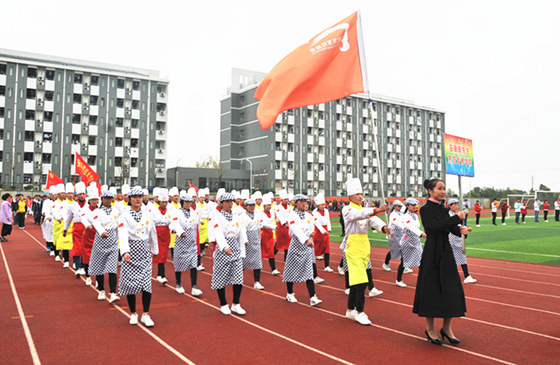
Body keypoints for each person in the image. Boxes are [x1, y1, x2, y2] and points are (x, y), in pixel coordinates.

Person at [413, 178, 471, 345]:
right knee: (431, 290)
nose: (443, 191)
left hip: (446, 252)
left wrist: (461, 229)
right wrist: (455, 219)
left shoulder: (444, 209)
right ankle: (430, 329)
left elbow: (450, 229)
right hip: (432, 253)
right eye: (439, 188)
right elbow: (433, 228)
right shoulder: (425, 210)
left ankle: (447, 328)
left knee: (452, 290)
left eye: (444, 188)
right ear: (430, 191)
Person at [342, 179, 388, 325]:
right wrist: (377, 209)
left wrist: (383, 227)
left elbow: (373, 220)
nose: (360, 196)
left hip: (364, 245)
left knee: (357, 281)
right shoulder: (347, 209)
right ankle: (360, 311)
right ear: (350, 197)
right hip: (353, 246)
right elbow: (360, 214)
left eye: (361, 194)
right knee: (361, 281)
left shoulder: (364, 209)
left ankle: (350, 310)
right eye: (357, 194)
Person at [118, 186, 158, 327]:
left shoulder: (148, 214)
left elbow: (152, 233)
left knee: (146, 284)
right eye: (135, 197)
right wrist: (125, 252)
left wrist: (155, 249)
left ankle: (146, 314)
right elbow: (122, 234)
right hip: (131, 251)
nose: (137, 200)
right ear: (130, 199)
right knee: (130, 284)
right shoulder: (124, 215)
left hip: (145, 252)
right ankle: (133, 313)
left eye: (140, 197)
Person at [211, 192, 248, 316]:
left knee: (238, 278)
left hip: (236, 250)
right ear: (221, 204)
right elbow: (218, 233)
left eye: (231, 202)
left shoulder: (237, 217)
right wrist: (224, 246)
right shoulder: (217, 217)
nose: (229, 204)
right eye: (226, 202)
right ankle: (223, 303)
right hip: (223, 251)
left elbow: (241, 232)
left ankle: (236, 304)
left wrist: (243, 248)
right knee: (221, 278)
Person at [283, 194, 323, 307]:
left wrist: (311, 233)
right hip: (296, 245)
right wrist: (306, 239)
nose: (304, 203)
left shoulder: (308, 216)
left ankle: (313, 296)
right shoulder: (291, 215)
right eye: (301, 201)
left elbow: (311, 227)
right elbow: (294, 229)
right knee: (291, 270)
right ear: (295, 203)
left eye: (305, 201)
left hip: (307, 247)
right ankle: (290, 293)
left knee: (309, 271)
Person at [89, 190, 121, 303]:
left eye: (110, 198)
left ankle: (113, 293)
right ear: (102, 199)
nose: (108, 200)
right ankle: (101, 290)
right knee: (99, 267)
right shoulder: (96, 212)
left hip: (112, 240)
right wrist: (102, 231)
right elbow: (96, 223)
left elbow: (118, 226)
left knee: (113, 268)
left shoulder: (117, 211)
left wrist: (120, 238)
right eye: (105, 198)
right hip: (100, 240)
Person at [240, 198, 276, 290]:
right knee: (243, 261)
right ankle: (238, 279)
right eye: (250, 205)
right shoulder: (242, 216)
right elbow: (242, 229)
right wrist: (244, 240)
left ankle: (257, 281)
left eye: (253, 205)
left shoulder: (257, 215)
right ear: (246, 207)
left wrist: (273, 227)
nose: (252, 207)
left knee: (257, 262)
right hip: (247, 241)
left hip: (256, 240)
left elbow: (262, 223)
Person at [172, 191, 203, 296]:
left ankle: (194, 287)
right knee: (179, 264)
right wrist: (181, 232)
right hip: (181, 242)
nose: (189, 204)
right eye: (187, 202)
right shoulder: (177, 212)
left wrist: (200, 222)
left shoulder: (193, 212)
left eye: (191, 202)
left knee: (194, 264)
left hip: (192, 243)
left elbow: (196, 220)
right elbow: (175, 223)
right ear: (183, 202)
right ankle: (178, 284)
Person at [395, 198, 426, 287]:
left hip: (416, 241)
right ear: (407, 206)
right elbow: (410, 226)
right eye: (412, 205)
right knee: (405, 262)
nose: (414, 207)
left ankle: (424, 280)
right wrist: (421, 233)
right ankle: (398, 279)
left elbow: (416, 226)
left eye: (415, 205)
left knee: (421, 261)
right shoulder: (405, 216)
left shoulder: (415, 216)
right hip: (407, 241)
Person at [447, 199, 477, 284]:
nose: (456, 206)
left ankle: (466, 275)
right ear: (450, 206)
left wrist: (466, 228)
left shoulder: (458, 214)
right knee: (450, 257)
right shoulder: (448, 215)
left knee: (462, 256)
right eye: (454, 204)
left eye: (457, 204)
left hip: (459, 238)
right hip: (451, 238)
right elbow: (451, 226)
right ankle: (454, 275)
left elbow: (459, 225)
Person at [63, 182, 87, 278]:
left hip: (86, 229)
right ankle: (77, 268)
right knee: (77, 249)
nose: (82, 196)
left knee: (84, 249)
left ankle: (82, 267)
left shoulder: (88, 206)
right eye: (80, 194)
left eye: (83, 194)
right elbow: (69, 219)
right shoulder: (72, 205)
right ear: (76, 195)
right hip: (76, 228)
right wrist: (65, 229)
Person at [152, 189, 174, 285]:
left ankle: (160, 275)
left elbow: (172, 221)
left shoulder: (170, 210)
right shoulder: (154, 210)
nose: (164, 204)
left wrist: (173, 228)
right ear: (159, 202)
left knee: (164, 254)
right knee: (159, 254)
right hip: (157, 234)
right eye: (163, 202)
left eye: (166, 202)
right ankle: (161, 275)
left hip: (166, 233)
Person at [81, 186, 100, 286]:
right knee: (87, 257)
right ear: (89, 200)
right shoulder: (85, 210)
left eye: (96, 200)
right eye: (92, 200)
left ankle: (98, 279)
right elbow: (83, 218)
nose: (94, 202)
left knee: (98, 258)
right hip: (88, 235)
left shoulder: (101, 210)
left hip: (98, 236)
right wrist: (87, 225)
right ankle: (88, 276)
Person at [312, 193, 333, 272]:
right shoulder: (315, 213)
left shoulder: (326, 211)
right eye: (321, 205)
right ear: (317, 205)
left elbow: (328, 220)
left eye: (324, 204)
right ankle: (310, 264)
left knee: (327, 249)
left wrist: (328, 228)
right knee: (315, 248)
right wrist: (323, 230)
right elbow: (317, 223)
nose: (323, 206)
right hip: (318, 231)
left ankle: (327, 266)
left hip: (325, 232)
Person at [260, 195, 280, 275]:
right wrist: (273, 226)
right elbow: (262, 224)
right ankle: (257, 267)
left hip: (270, 234)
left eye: (269, 205)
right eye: (267, 205)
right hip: (263, 235)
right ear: (264, 206)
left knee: (271, 252)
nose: (269, 206)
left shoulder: (271, 213)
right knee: (261, 252)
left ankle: (273, 269)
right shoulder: (261, 214)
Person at [382, 200, 404, 271]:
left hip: (400, 233)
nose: (400, 207)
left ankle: (404, 265)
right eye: (398, 206)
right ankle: (386, 263)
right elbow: (396, 223)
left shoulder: (401, 213)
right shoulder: (393, 214)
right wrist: (405, 227)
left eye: (401, 206)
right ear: (394, 206)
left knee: (403, 249)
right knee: (395, 250)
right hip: (393, 233)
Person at [275, 189, 292, 262]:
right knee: (279, 243)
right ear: (282, 200)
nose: (286, 201)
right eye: (285, 199)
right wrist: (285, 223)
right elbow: (280, 216)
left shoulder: (290, 208)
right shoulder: (278, 208)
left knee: (288, 243)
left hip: (288, 227)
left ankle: (286, 259)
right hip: (281, 227)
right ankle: (272, 255)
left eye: (287, 199)